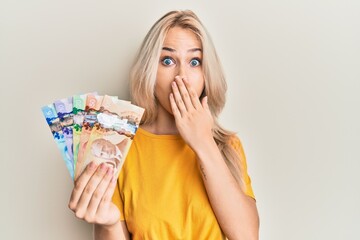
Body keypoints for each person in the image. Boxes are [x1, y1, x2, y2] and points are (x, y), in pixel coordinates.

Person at [68, 10, 259, 240]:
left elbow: (247, 236)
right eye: (167, 61)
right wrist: (108, 224)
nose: (182, 77)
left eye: (195, 61)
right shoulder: (120, 144)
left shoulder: (228, 146)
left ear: (207, 73)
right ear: (149, 71)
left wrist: (203, 142)